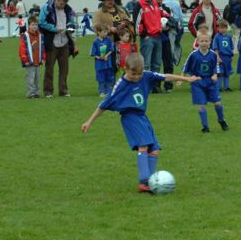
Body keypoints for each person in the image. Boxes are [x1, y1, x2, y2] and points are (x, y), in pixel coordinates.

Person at [81, 53, 199, 193]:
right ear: (125, 69)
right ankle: (145, 181)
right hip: (130, 117)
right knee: (143, 146)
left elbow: (166, 76)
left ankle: (151, 181)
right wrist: (89, 121)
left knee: (154, 149)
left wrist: (186, 79)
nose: (137, 77)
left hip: (142, 117)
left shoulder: (146, 75)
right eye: (133, 74)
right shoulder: (120, 86)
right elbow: (104, 104)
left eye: (139, 74)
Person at [179, 30, 229, 133]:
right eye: (202, 41)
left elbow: (216, 67)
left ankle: (221, 120)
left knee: (217, 103)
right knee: (202, 105)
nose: (204, 43)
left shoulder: (213, 55)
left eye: (206, 41)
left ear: (210, 42)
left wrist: (215, 75)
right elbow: (185, 67)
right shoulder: (193, 55)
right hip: (198, 82)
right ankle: (205, 127)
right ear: (198, 42)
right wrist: (181, 78)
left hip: (210, 82)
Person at [38, 0, 78, 98]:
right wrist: (54, 29)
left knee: (64, 68)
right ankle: (48, 91)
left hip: (65, 42)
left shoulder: (68, 9)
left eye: (64, 4)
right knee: (49, 68)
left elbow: (72, 23)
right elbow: (41, 22)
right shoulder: (46, 7)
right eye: (61, 3)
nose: (62, 6)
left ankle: (63, 90)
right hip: (52, 42)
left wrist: (71, 28)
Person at [133, 0, 169, 94]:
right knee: (146, 64)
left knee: (157, 64)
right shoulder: (139, 4)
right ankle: (145, 87)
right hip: (148, 38)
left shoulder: (154, 2)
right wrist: (145, 34)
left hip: (158, 36)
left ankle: (155, 86)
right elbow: (136, 24)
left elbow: (162, 13)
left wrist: (170, 19)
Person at [18, 15, 45, 98]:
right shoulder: (25, 36)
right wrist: (25, 59)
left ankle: (36, 92)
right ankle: (30, 93)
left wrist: (43, 57)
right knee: (30, 77)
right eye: (33, 25)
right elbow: (22, 49)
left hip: (37, 60)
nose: (34, 27)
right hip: (29, 61)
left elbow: (43, 47)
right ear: (29, 25)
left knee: (37, 78)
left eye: (36, 25)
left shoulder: (40, 35)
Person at [154, 0, 175, 93]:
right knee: (156, 64)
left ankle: (168, 85)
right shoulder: (151, 8)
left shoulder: (167, 8)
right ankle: (156, 86)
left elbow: (173, 21)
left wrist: (168, 27)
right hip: (155, 38)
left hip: (165, 39)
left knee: (168, 63)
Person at [90, 22, 115, 97]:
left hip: (108, 63)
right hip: (100, 65)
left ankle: (108, 91)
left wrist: (107, 55)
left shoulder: (108, 40)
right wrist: (99, 57)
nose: (106, 33)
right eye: (104, 32)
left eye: (107, 31)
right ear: (98, 32)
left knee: (109, 77)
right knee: (101, 78)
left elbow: (111, 49)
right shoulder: (95, 42)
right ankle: (101, 91)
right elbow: (93, 54)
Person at [212, 19, 234, 91]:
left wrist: (231, 56)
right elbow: (215, 48)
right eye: (221, 28)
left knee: (227, 73)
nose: (223, 29)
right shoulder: (217, 37)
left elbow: (231, 47)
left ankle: (226, 87)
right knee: (220, 73)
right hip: (221, 57)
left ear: (227, 28)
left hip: (227, 57)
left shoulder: (228, 37)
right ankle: (219, 87)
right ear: (218, 28)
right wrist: (217, 57)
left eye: (224, 28)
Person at [164, 0, 184, 65]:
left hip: (168, 24)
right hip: (176, 24)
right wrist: (181, 24)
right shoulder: (177, 3)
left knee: (170, 42)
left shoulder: (164, 3)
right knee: (176, 42)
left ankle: (172, 57)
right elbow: (180, 15)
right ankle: (173, 57)